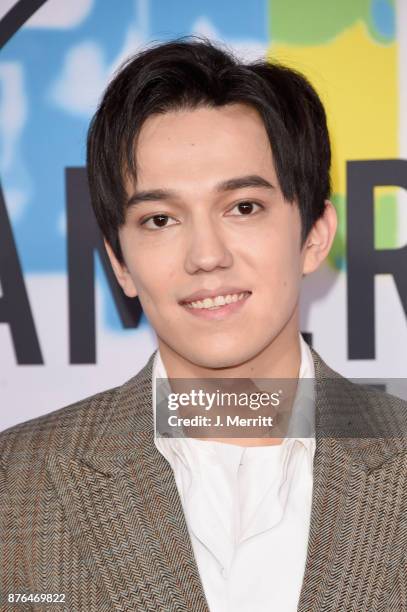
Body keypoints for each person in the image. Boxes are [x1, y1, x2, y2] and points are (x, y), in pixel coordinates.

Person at [1, 37, 406, 612]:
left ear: (314, 234)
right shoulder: (13, 487)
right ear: (121, 262)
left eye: (243, 207)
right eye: (160, 219)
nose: (206, 255)